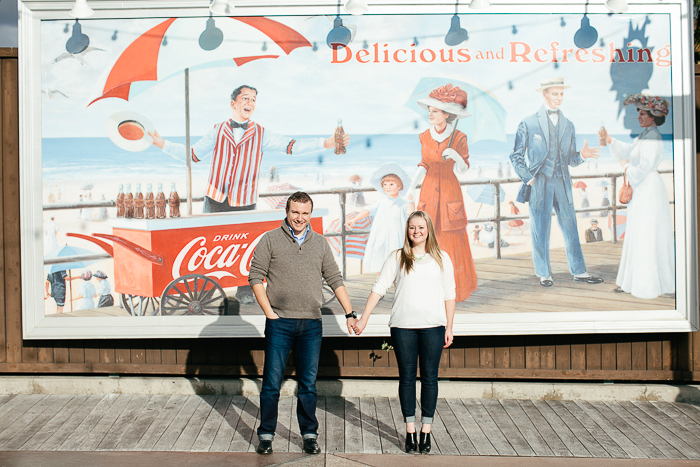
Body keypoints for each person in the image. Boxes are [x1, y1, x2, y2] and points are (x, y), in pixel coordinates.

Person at [248, 191, 357, 456]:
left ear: (310, 214)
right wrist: (269, 313)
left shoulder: (320, 243)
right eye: (295, 212)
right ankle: (266, 435)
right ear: (287, 212)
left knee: (308, 385)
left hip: (311, 324)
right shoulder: (270, 240)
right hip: (280, 323)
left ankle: (309, 434)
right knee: (272, 384)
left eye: (305, 213)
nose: (299, 218)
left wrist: (350, 313)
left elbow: (334, 278)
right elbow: (255, 277)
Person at [150, 85, 349, 213]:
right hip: (214, 200)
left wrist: (326, 143)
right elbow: (193, 156)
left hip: (245, 201)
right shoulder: (217, 130)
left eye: (253, 99)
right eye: (245, 98)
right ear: (233, 103)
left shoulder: (262, 133)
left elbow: (292, 147)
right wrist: (162, 144)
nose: (250, 103)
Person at [352, 211, 455, 455]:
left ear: (428, 229)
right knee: (407, 378)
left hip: (433, 327)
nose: (416, 231)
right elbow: (379, 288)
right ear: (406, 230)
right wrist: (364, 318)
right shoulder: (397, 257)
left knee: (430, 378)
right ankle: (410, 430)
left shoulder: (441, 258)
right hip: (402, 327)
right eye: (412, 228)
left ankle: (425, 430)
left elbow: (449, 293)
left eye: (420, 227)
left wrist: (449, 327)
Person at [509, 78, 604, 288]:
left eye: (561, 94)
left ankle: (579, 271)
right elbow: (516, 156)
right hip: (539, 183)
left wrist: (583, 155)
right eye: (554, 94)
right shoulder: (528, 123)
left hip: (563, 183)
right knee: (540, 229)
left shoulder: (568, 125)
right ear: (545, 95)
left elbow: (571, 158)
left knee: (571, 228)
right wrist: (529, 178)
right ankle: (544, 274)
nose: (558, 98)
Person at [405, 83, 477, 302]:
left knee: (451, 240)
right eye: (429, 110)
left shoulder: (459, 137)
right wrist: (411, 188)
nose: (430, 114)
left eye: (434, 111)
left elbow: (464, 169)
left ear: (447, 114)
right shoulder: (424, 136)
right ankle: (429, 291)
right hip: (428, 193)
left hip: (449, 193)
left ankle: (456, 290)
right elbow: (424, 164)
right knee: (426, 240)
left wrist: (455, 155)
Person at [599, 94, 675, 299]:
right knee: (639, 232)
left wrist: (625, 166)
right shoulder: (645, 135)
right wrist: (610, 140)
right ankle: (633, 282)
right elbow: (629, 151)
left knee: (646, 233)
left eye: (643, 113)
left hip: (648, 188)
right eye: (639, 113)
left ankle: (647, 285)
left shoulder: (652, 138)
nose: (639, 117)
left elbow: (642, 168)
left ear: (654, 116)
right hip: (643, 189)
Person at [346, 163, 412, 272]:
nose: (387, 187)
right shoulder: (381, 202)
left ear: (399, 186)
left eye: (391, 184)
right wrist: (355, 219)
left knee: (396, 256)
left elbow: (411, 211)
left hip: (397, 236)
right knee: (379, 256)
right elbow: (368, 210)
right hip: (381, 235)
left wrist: (411, 200)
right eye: (385, 184)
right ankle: (380, 278)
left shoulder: (402, 203)